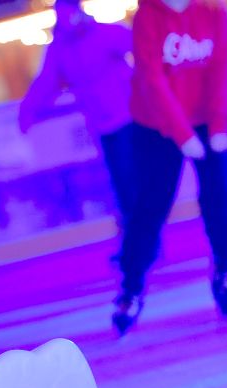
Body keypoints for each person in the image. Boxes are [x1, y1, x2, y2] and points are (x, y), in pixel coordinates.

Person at [112, 0, 227, 335]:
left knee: (220, 197)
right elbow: (152, 79)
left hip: (206, 119)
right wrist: (182, 134)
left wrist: (218, 126)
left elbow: (221, 69)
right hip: (156, 125)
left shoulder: (215, 11)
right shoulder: (148, 16)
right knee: (151, 206)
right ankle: (131, 289)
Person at [18, 0, 137, 238]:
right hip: (101, 126)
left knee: (131, 178)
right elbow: (47, 82)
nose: (67, 17)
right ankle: (134, 236)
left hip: (129, 119)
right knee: (119, 182)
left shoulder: (102, 32)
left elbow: (140, 48)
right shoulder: (61, 48)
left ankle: (140, 235)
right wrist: (28, 111)